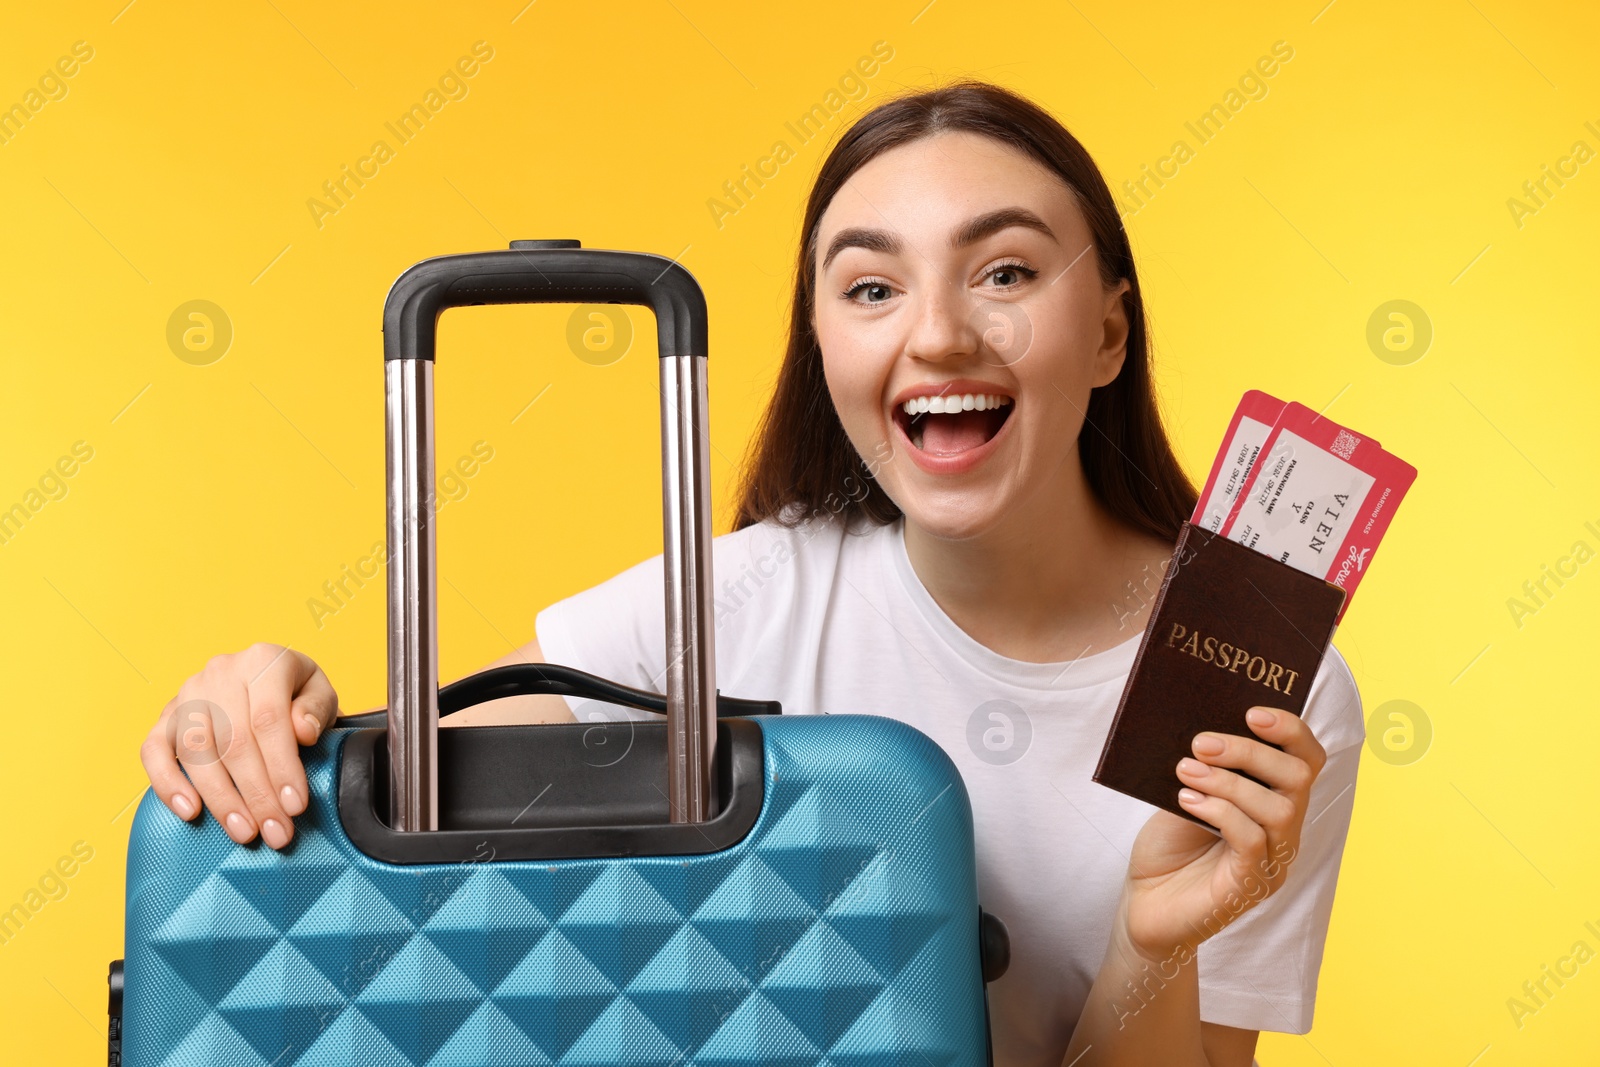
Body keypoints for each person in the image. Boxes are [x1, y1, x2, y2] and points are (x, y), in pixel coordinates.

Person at [139, 80, 1363, 1067]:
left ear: (1105, 329)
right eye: (872, 288)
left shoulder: (1264, 695)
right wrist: (261, 706)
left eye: (1003, 272)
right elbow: (411, 772)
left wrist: (1152, 937)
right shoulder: (740, 599)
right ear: (825, 344)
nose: (935, 331)